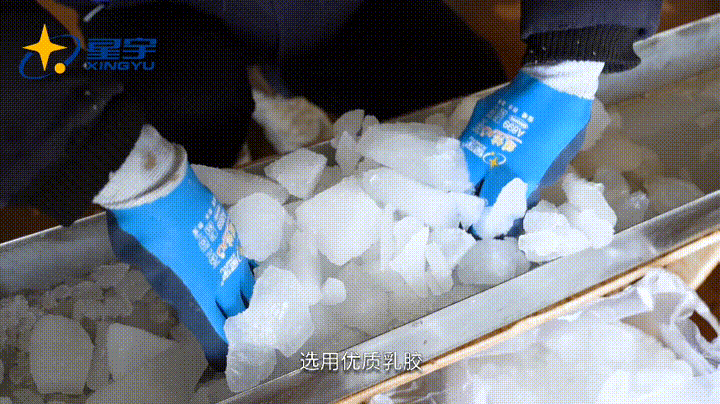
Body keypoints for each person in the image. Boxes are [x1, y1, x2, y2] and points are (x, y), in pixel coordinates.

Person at [1, 0, 662, 370]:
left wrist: (578, 49)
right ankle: (221, 149)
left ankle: (277, 121)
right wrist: (105, 156)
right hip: (146, 14)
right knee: (185, 104)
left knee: (449, 72)